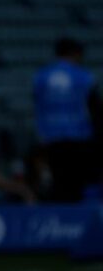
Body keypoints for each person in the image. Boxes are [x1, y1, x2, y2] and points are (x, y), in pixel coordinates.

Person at [33, 38, 100, 202]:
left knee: (59, 180)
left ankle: (61, 217)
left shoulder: (40, 77)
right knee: (77, 182)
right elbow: (95, 108)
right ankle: (76, 220)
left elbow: (37, 105)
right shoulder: (83, 77)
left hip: (51, 137)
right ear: (76, 54)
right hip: (78, 136)